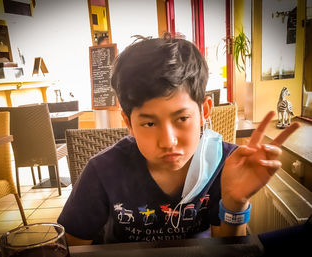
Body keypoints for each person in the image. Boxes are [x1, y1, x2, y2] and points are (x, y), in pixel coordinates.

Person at [57, 34, 299, 246]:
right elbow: (71, 246)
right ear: (128, 122)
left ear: (204, 111)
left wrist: (235, 202)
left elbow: (230, 249)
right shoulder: (103, 171)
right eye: (149, 123)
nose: (168, 141)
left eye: (182, 118)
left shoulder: (225, 164)